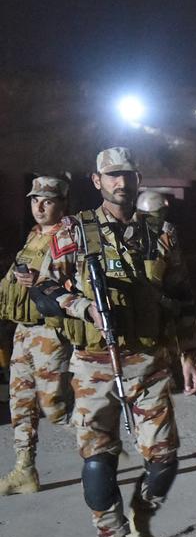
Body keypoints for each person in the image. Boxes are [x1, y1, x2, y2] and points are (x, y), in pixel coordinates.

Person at [31, 147, 196, 537]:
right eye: (111, 176)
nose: (120, 183)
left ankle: (141, 528)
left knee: (163, 457)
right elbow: (43, 290)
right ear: (97, 180)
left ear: (138, 177)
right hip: (92, 364)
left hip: (148, 361)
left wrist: (189, 354)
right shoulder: (75, 231)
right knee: (97, 459)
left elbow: (182, 296)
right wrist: (83, 306)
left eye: (126, 175)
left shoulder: (161, 233)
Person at [0, 176, 75, 495]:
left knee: (55, 406)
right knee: (21, 402)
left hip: (50, 333)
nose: (40, 207)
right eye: (34, 200)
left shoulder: (70, 236)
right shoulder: (33, 236)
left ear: (61, 203)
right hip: (24, 333)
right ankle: (24, 469)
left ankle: (101, 448)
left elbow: (77, 284)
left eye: (47, 200)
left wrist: (42, 281)